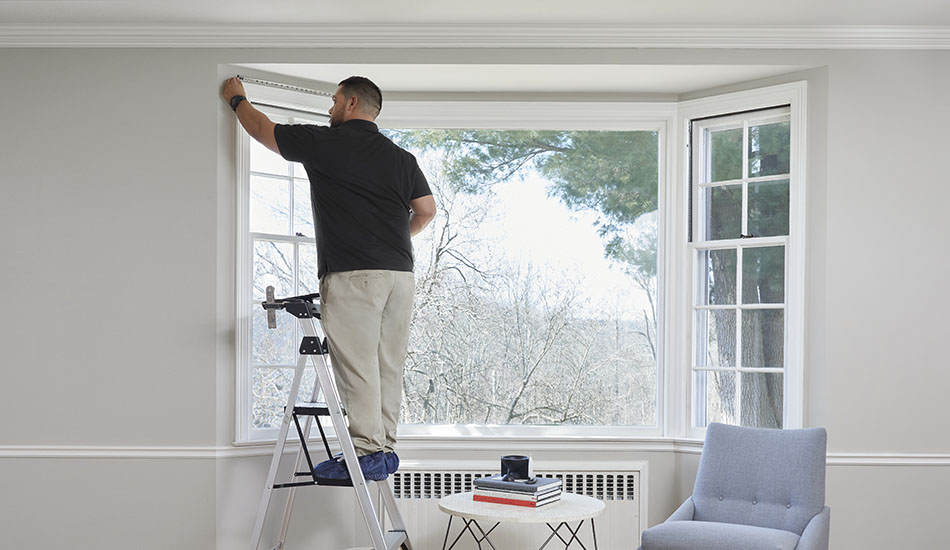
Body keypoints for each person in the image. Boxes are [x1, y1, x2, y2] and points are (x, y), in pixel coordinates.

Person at [221, 75, 436, 481]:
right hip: (400, 277)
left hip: (354, 275)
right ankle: (385, 447)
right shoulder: (402, 159)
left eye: (335, 101)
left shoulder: (327, 143)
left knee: (357, 366)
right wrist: (390, 239)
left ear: (352, 103)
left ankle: (366, 450)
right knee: (388, 364)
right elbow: (425, 210)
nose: (330, 108)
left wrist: (237, 100)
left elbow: (264, 131)